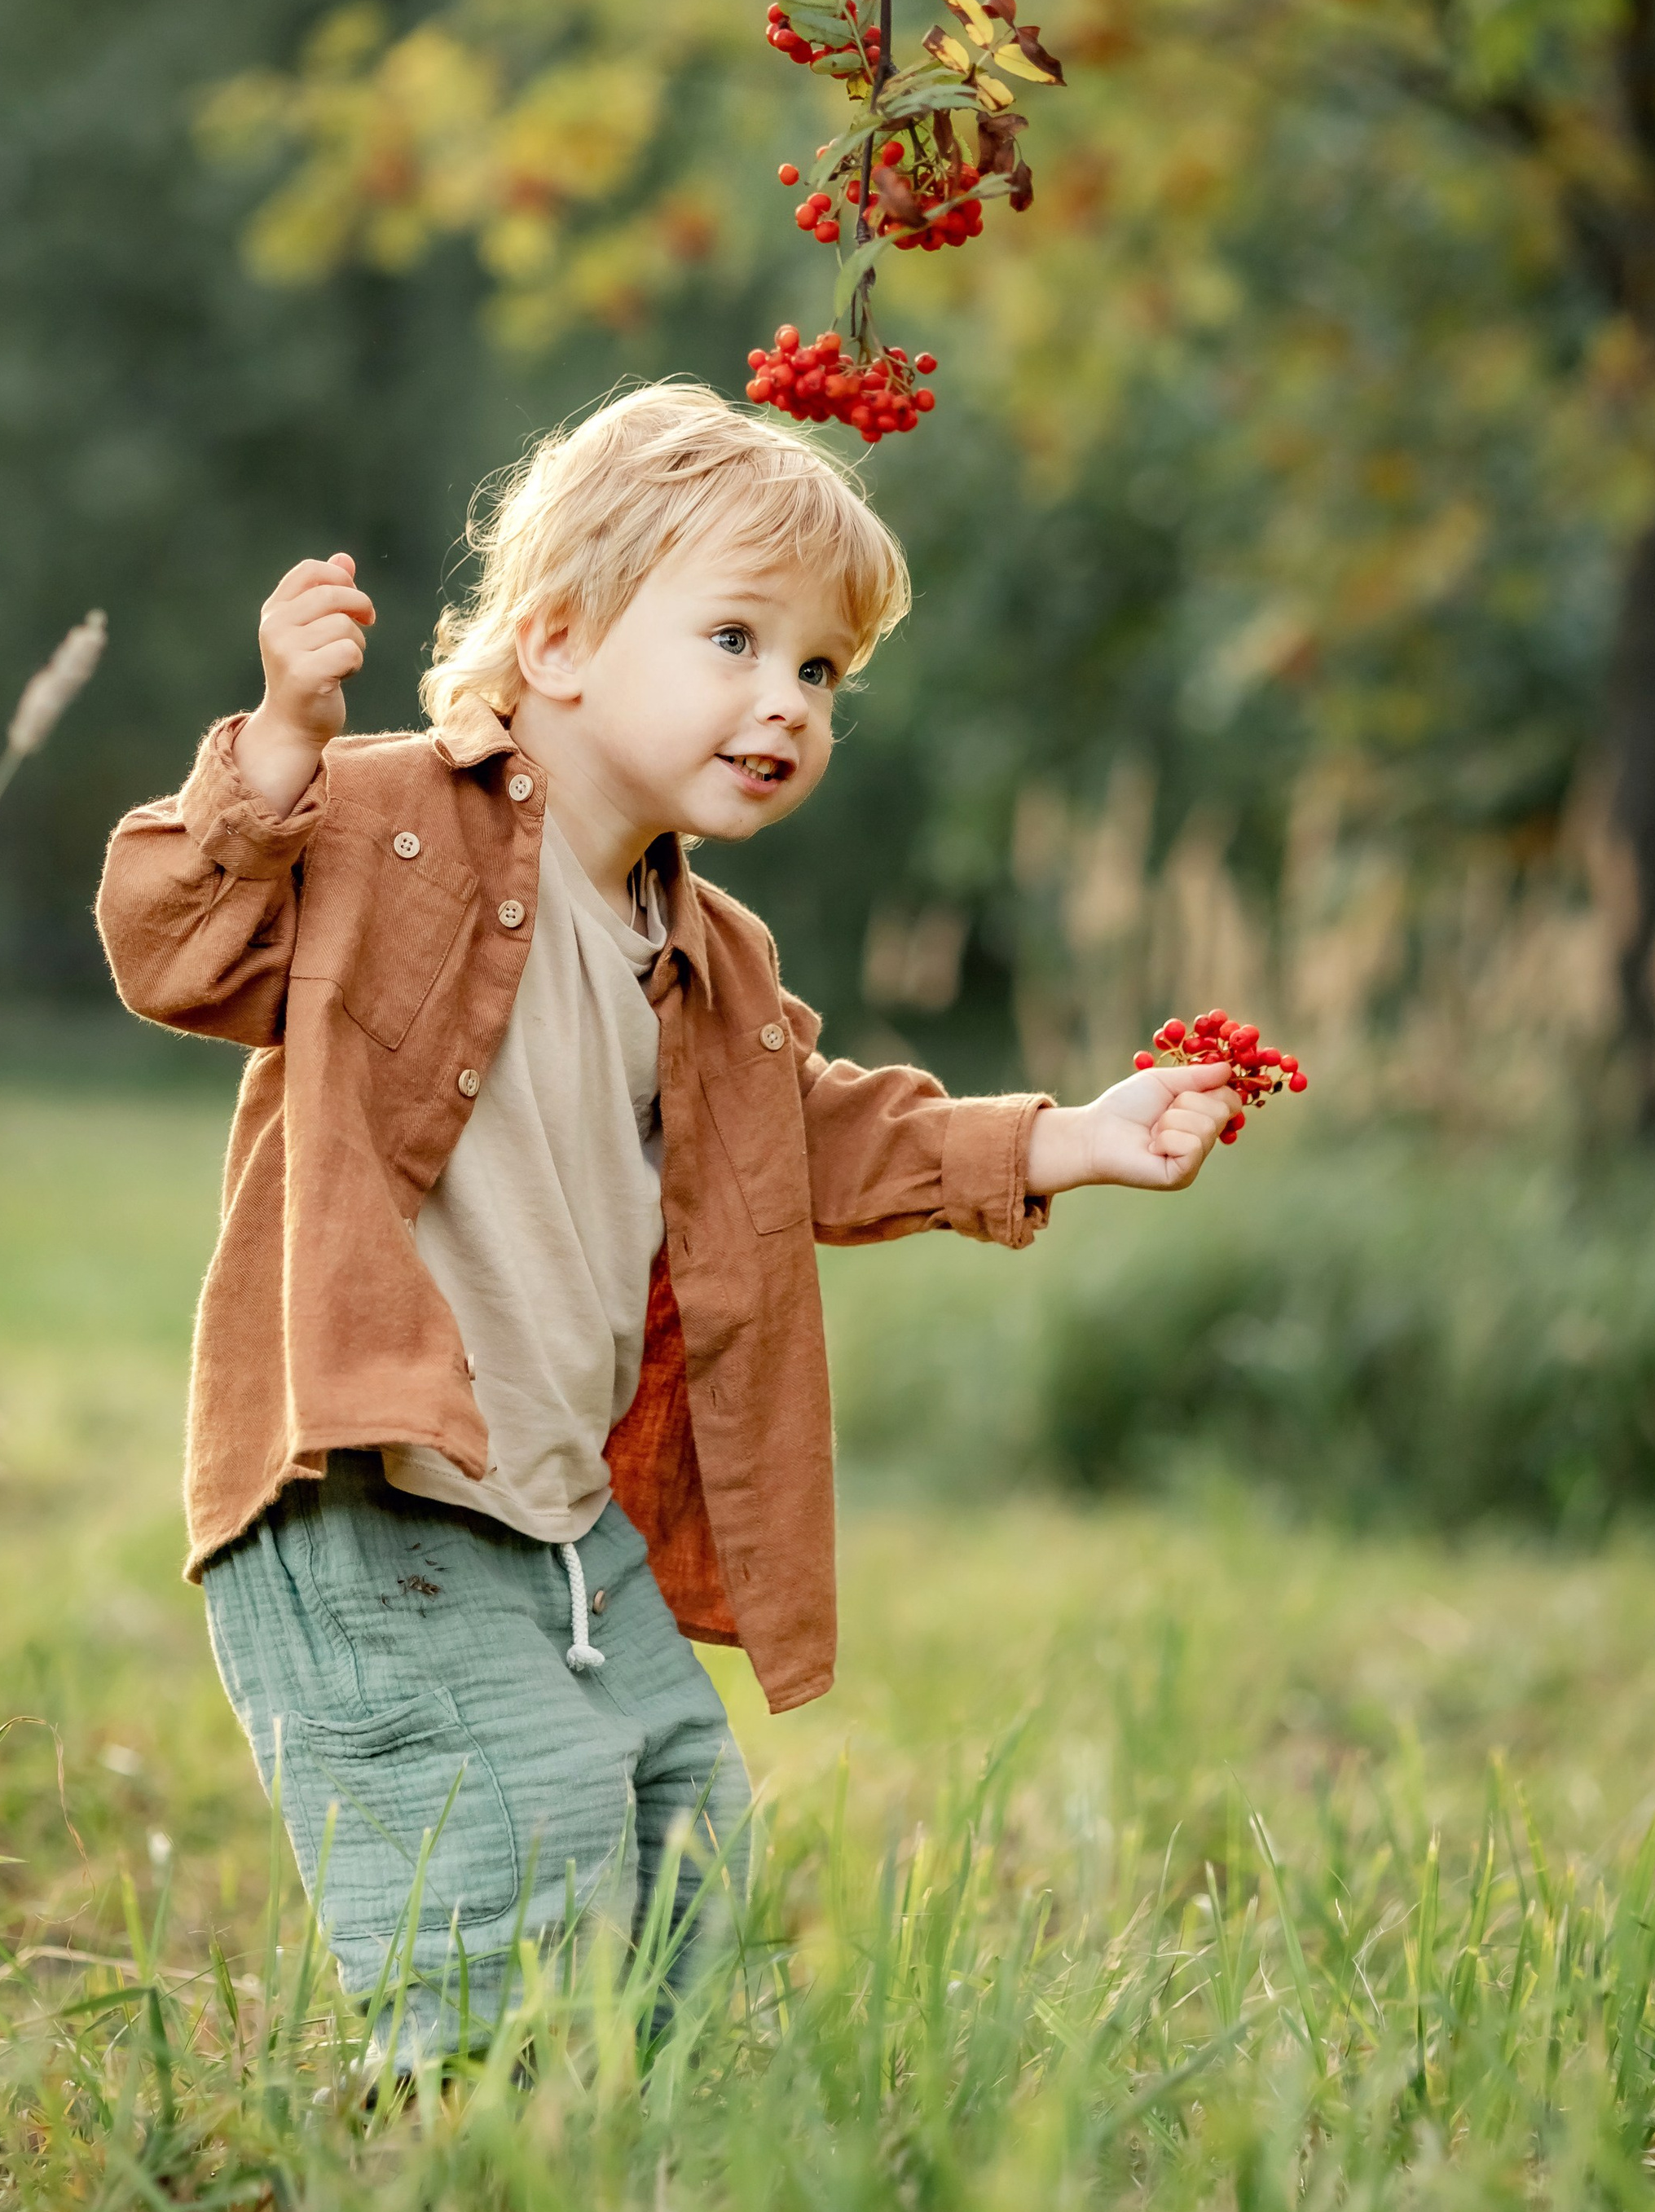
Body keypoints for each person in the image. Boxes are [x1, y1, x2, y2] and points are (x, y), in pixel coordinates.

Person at [95, 381, 1238, 2066]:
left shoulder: (706, 953)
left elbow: (803, 1135)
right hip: (376, 1485)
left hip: (558, 1515)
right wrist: (271, 747)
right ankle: (471, 2182)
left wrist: (1059, 1138)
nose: (784, 702)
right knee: (512, 1858)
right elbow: (172, 944)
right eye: (734, 639)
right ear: (553, 645)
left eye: (820, 671)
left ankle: (640, 2166)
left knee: (683, 1831)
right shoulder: (383, 818)